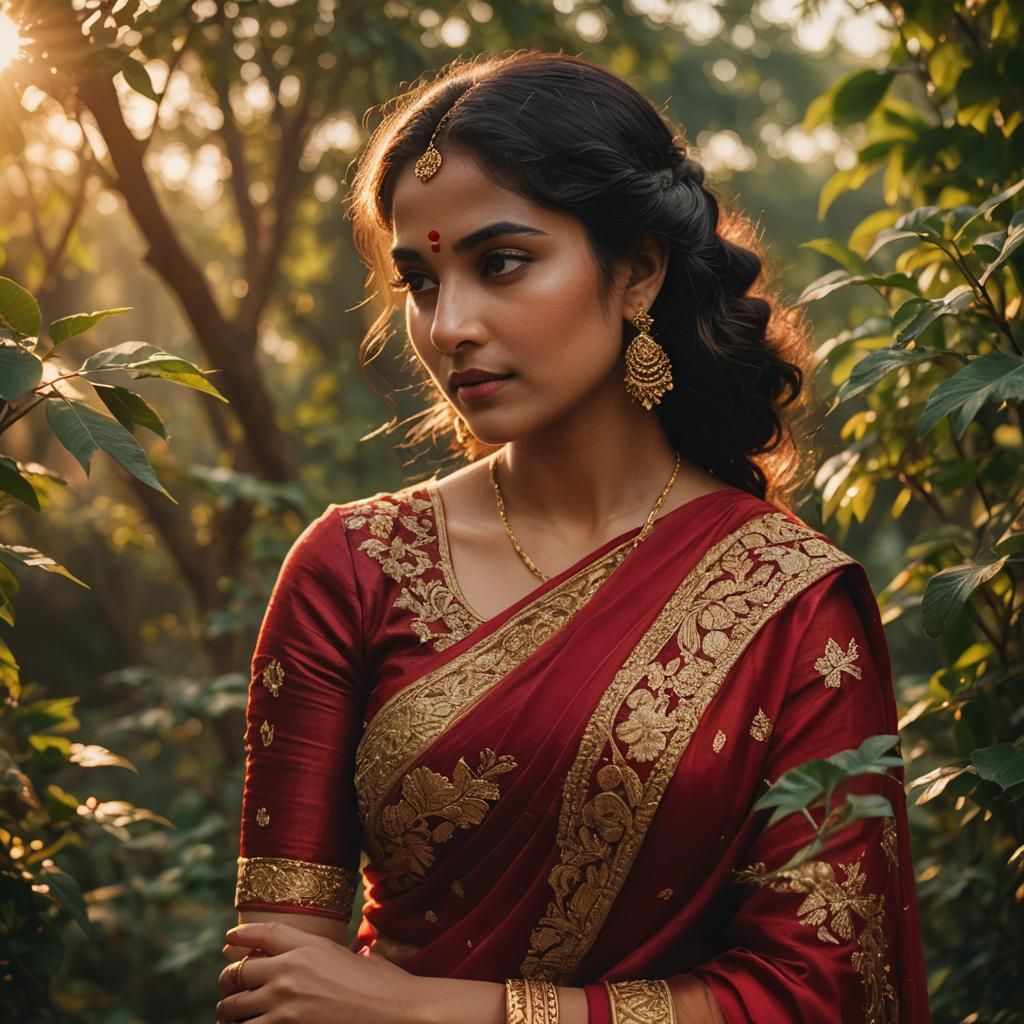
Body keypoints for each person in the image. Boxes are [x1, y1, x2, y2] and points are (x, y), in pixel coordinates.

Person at [216, 50, 930, 1024]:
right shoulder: (352, 567)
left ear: (636, 270)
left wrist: (431, 1012)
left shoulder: (788, 598)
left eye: (500, 263)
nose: (451, 324)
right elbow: (280, 982)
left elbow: (821, 991)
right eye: (421, 281)